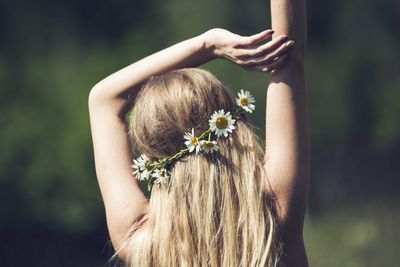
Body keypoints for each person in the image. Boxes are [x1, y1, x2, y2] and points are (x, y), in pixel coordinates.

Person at [88, 0, 308, 266]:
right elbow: (287, 55)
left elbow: (103, 100)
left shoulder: (140, 238)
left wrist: (209, 44)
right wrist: (212, 47)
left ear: (152, 153)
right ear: (232, 125)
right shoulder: (274, 212)